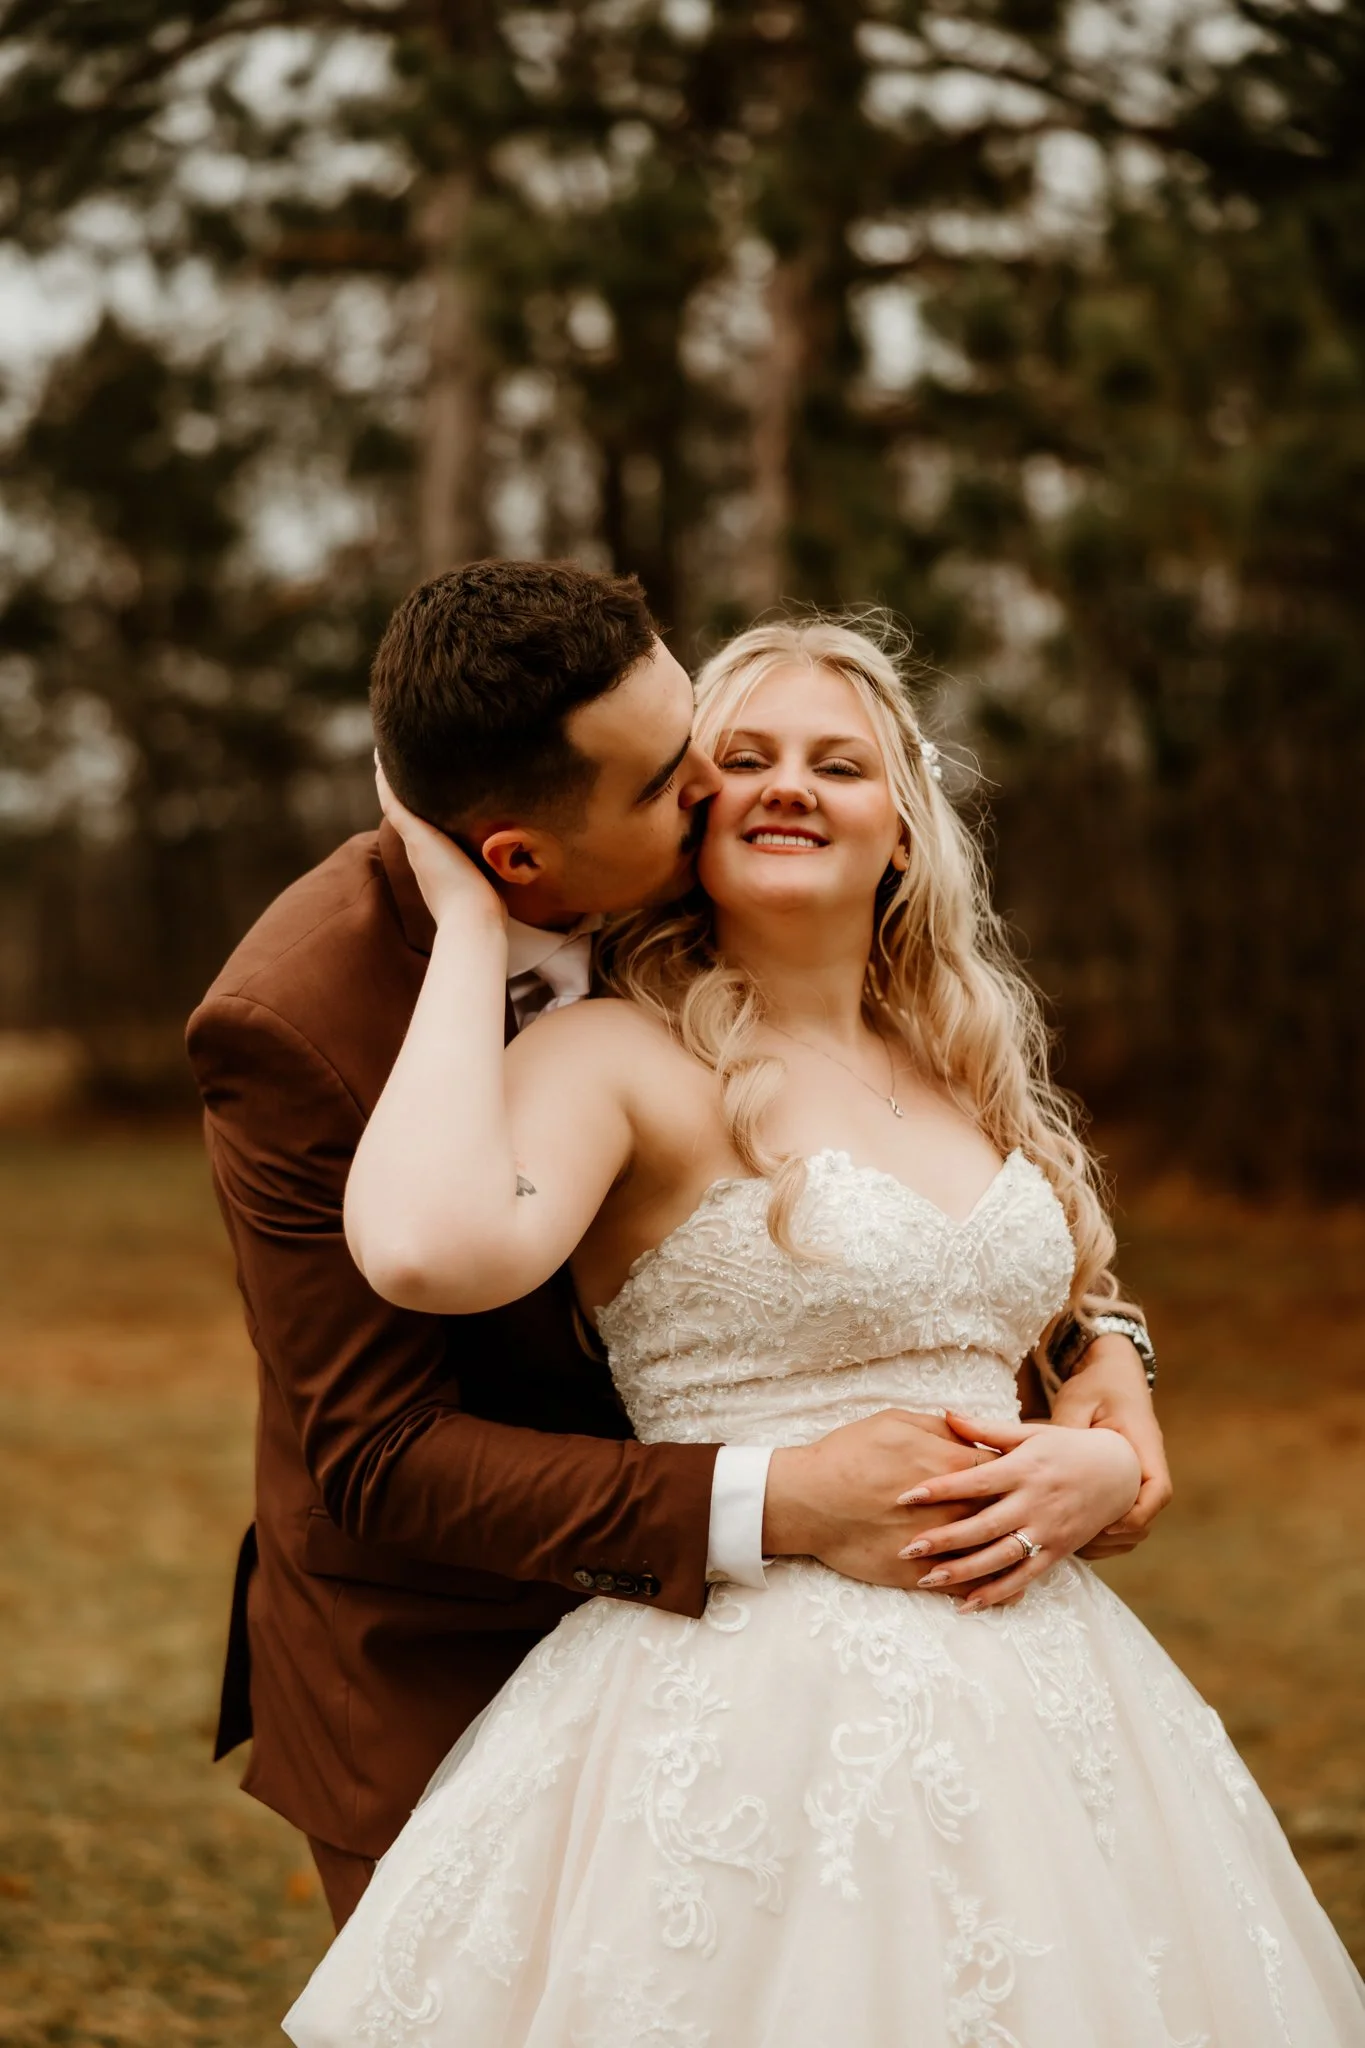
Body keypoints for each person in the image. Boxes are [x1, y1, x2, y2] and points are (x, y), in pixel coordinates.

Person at [284, 610, 1365, 2046]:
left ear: (904, 830)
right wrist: (472, 920)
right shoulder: (615, 1058)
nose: (791, 783)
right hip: (748, 1707)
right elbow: (426, 1247)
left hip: (1051, 1701)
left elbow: (1040, 1314)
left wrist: (1099, 1445)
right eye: (745, 757)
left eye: (839, 763)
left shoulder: (961, 1058)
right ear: (691, 816)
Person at [187, 562, 1166, 1934]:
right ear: (516, 856)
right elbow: (379, 1451)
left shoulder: (921, 1028)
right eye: (689, 773)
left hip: (990, 1686)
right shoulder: (307, 1019)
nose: (722, 780)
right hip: (458, 1632)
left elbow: (936, 1257)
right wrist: (793, 1496)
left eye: (707, 735)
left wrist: (1107, 1377)